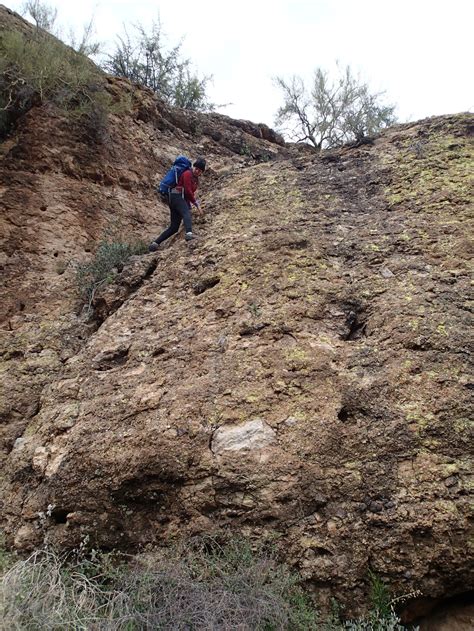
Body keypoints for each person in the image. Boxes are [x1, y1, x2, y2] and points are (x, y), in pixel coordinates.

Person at [149, 158, 206, 251]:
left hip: (177, 198)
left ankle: (155, 244)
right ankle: (189, 234)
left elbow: (187, 194)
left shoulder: (196, 180)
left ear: (202, 172)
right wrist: (196, 204)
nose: (197, 171)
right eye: (196, 168)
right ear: (193, 167)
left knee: (174, 227)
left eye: (200, 170)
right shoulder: (187, 174)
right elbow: (187, 191)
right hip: (175, 196)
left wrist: (188, 205)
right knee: (186, 213)